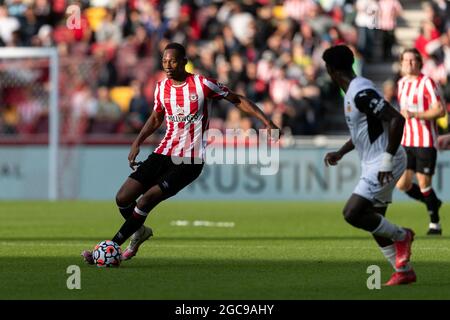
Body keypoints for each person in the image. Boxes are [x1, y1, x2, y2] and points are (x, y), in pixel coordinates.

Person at [81, 42, 279, 263]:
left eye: (172, 60)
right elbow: (157, 117)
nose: (167, 65)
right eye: (164, 61)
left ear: (184, 61)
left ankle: (111, 247)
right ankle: (140, 231)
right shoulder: (161, 88)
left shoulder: (202, 85)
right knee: (123, 198)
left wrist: (267, 121)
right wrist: (138, 141)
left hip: (190, 160)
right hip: (163, 152)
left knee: (147, 200)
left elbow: (237, 99)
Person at [322, 45, 416, 286]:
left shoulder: (360, 92)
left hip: (386, 159)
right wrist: (341, 152)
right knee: (375, 221)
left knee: (352, 213)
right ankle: (402, 270)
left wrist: (386, 160)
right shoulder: (353, 92)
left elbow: (396, 119)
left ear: (330, 69)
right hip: (376, 160)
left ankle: (403, 235)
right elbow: (363, 132)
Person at [395, 48, 446, 235]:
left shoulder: (426, 82)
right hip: (407, 141)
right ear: (401, 64)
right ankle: (433, 201)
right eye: (405, 60)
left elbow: (440, 110)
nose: (409, 63)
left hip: (425, 140)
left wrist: (416, 114)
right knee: (402, 185)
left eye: (412, 60)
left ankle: (435, 224)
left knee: (424, 183)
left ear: (419, 63)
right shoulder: (400, 84)